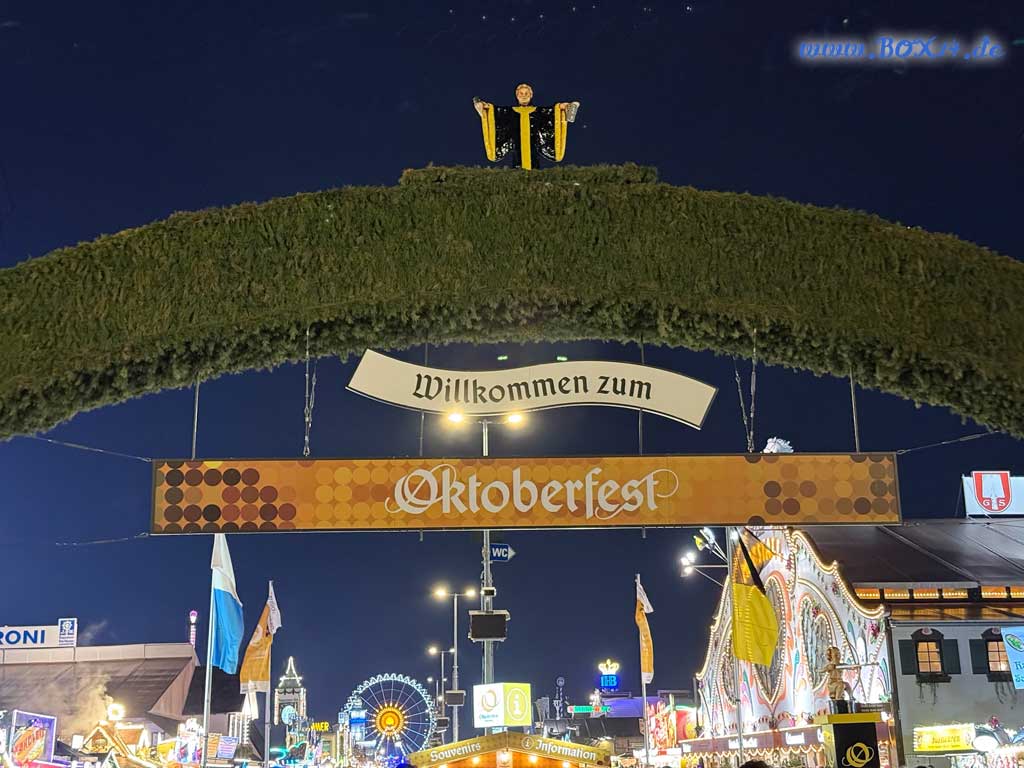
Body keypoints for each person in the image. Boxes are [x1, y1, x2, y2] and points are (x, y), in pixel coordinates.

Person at [473, 83, 580, 169]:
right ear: (517, 95)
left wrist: (562, 107)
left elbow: (552, 112)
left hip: (534, 154)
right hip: (517, 154)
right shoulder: (509, 112)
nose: (523, 95)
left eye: (526, 93)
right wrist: (484, 107)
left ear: (531, 95)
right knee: (518, 169)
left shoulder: (538, 112)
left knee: (534, 171)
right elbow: (495, 112)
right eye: (521, 93)